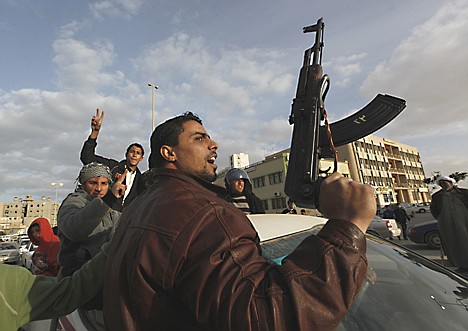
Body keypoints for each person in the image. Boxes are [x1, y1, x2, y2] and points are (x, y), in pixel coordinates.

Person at [103, 112, 376, 331]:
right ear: (169, 153)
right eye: (199, 138)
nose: (214, 145)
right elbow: (269, 317)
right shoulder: (205, 212)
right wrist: (348, 226)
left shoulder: (142, 205)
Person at [58, 162, 126, 330]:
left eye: (104, 184)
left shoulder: (112, 212)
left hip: (105, 286)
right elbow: (75, 228)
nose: (99, 188)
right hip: (81, 290)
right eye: (93, 183)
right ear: (82, 184)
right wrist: (109, 198)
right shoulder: (74, 202)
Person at [1, 244, 108, 331]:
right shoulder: (10, 281)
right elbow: (70, 291)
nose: (35, 234)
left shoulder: (10, 282)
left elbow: (69, 290)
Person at [80, 108, 145, 211]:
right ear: (126, 154)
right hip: (103, 213)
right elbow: (87, 157)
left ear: (141, 158)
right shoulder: (112, 166)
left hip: (124, 219)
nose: (134, 155)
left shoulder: (141, 179)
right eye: (132, 152)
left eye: (138, 153)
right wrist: (95, 132)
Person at [430, 175, 468, 271]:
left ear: (451, 183)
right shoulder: (437, 196)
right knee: (452, 243)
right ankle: (461, 265)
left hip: (464, 222)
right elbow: (434, 210)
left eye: (445, 183)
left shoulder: (463, 193)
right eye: (441, 184)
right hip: (447, 222)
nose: (444, 185)